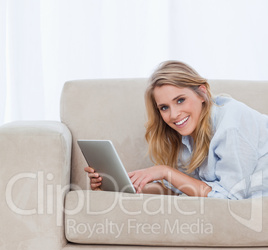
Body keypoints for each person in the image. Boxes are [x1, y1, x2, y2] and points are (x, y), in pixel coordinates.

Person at [85, 60, 268, 199]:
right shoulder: (185, 136)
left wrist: (166, 171)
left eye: (180, 100)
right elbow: (181, 189)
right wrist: (121, 186)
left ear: (202, 93)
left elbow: (228, 198)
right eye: (164, 107)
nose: (174, 115)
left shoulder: (231, 124)